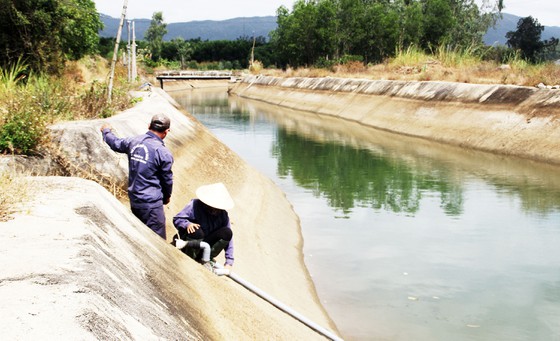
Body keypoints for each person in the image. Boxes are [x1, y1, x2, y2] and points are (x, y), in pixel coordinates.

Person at [100, 114, 174, 239]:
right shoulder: (163, 153)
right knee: (157, 240)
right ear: (167, 131)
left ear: (149, 126)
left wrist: (106, 131)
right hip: (151, 204)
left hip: (135, 200)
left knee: (141, 236)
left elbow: (115, 143)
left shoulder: (133, 142)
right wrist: (166, 197)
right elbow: (167, 180)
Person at [173, 183, 235, 270]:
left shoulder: (223, 215)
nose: (214, 210)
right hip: (189, 243)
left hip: (206, 245)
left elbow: (229, 240)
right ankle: (189, 256)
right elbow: (177, 219)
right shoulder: (195, 204)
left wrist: (229, 261)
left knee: (227, 233)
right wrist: (187, 224)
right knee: (197, 231)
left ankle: (205, 259)